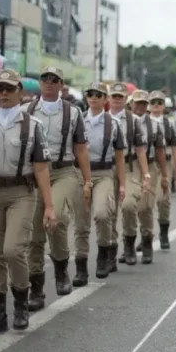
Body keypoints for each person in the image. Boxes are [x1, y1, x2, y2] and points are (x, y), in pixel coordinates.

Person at [0, 69, 55, 333]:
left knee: (13, 250)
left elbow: (41, 169)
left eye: (9, 89)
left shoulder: (32, 125)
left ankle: (21, 305)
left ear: (19, 93)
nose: (3, 93)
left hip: (21, 193)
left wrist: (49, 206)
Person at [23, 66, 91, 312]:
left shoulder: (73, 113)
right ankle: (36, 287)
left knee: (58, 219)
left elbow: (81, 149)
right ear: (40, 83)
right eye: (45, 79)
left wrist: (87, 181)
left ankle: (61, 269)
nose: (49, 83)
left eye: (55, 80)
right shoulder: (26, 110)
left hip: (63, 171)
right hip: (34, 174)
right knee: (34, 232)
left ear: (62, 84)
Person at [79, 82, 126, 279]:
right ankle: (81, 267)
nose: (94, 97)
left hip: (104, 172)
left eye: (99, 94)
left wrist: (122, 183)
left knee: (102, 214)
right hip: (80, 173)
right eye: (90, 93)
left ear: (105, 98)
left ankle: (103, 255)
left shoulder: (113, 123)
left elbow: (120, 156)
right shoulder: (78, 120)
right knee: (81, 223)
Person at [118, 90, 167, 265]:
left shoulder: (154, 125)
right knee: (127, 205)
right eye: (137, 103)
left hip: (149, 166)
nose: (140, 107)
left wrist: (165, 175)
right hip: (128, 165)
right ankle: (128, 243)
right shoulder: (122, 121)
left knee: (145, 206)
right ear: (130, 103)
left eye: (144, 104)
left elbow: (160, 151)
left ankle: (147, 241)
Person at [107, 82, 150, 273]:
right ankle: (110, 250)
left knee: (129, 205)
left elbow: (141, 149)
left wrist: (146, 174)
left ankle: (130, 243)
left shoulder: (133, 121)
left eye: (120, 97)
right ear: (109, 99)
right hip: (107, 168)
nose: (116, 100)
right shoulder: (102, 119)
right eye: (114, 96)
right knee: (108, 212)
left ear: (125, 100)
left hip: (130, 166)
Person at [155, 93, 176, 249]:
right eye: (153, 102)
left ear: (164, 106)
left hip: (165, 163)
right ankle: (145, 236)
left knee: (163, 199)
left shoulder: (169, 124)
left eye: (159, 102)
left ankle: (163, 232)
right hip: (147, 165)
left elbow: (175, 149)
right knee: (142, 204)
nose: (156, 105)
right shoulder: (141, 123)